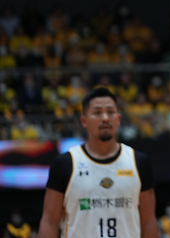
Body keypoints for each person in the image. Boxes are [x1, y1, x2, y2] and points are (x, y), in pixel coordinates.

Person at [37, 87, 158, 238]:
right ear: (84, 121)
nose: (105, 118)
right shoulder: (65, 163)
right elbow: (49, 222)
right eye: (97, 112)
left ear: (118, 119)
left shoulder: (139, 162)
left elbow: (148, 221)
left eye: (111, 112)